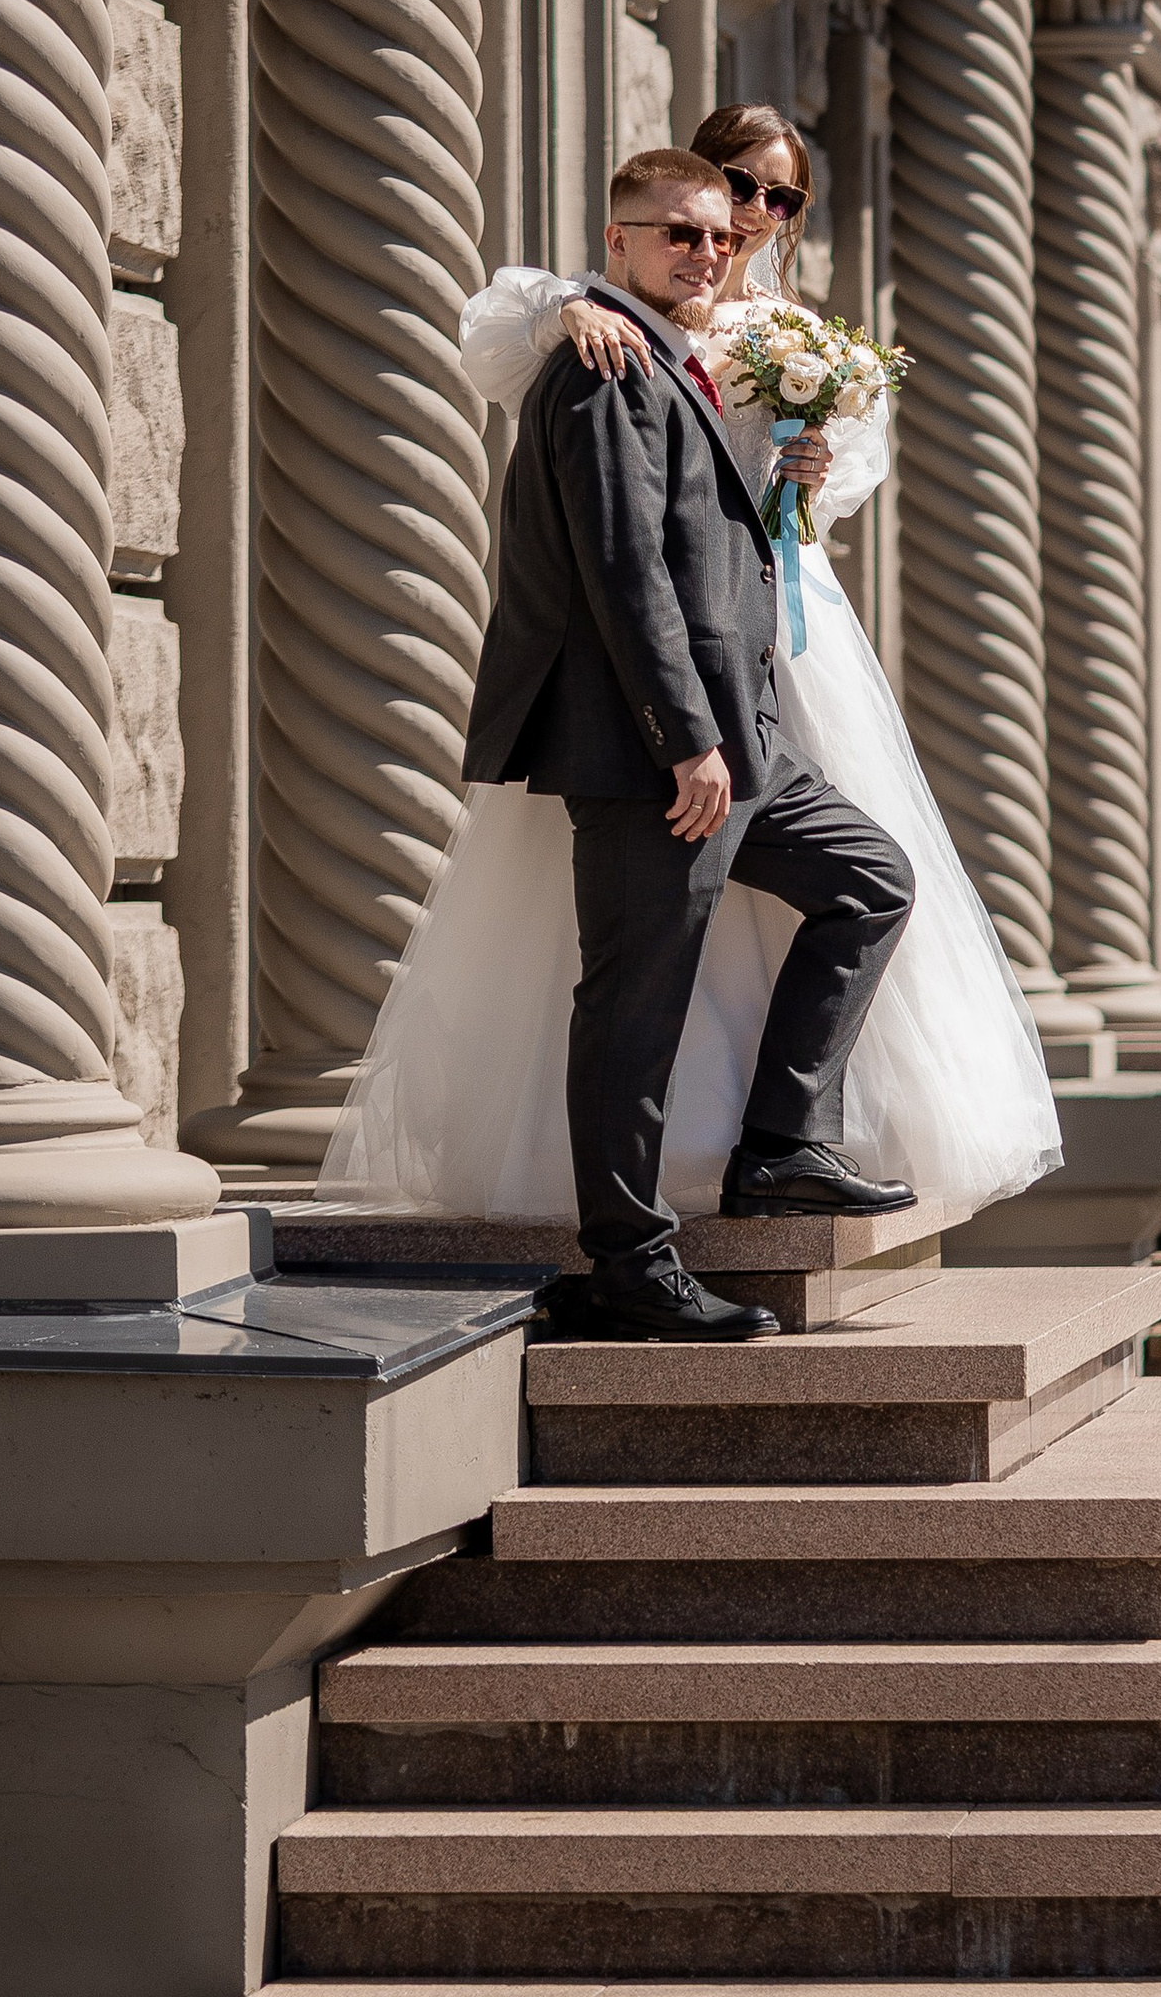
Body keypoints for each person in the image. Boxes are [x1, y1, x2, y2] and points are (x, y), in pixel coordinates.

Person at [320, 106, 1061, 1306]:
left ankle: (776, 1144)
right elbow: (626, 571)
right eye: (704, 215)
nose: (729, 237)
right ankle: (632, 1260)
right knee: (637, 990)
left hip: (748, 700)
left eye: (763, 211)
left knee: (868, 877)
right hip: (653, 733)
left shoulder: (712, 334)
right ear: (623, 239)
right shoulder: (603, 353)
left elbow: (741, 533)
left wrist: (809, 474)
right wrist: (688, 741)